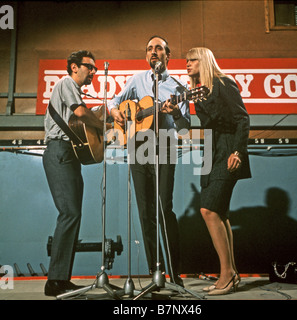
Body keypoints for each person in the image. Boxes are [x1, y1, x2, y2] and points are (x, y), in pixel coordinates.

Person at [108, 36, 190, 286]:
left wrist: (175, 112)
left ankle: (176, 275)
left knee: (164, 208)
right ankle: (157, 272)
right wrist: (116, 112)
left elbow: (186, 127)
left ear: (168, 55)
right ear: (146, 56)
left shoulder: (179, 88)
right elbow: (114, 102)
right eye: (149, 49)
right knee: (145, 212)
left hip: (165, 146)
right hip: (138, 147)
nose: (153, 52)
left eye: (159, 48)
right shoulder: (136, 80)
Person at [186, 47, 251, 295]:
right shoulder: (199, 91)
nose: (188, 64)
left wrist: (238, 152)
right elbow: (208, 124)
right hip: (210, 151)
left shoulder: (224, 83)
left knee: (209, 210)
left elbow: (242, 119)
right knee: (220, 213)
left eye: (192, 60)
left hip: (227, 150)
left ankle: (226, 274)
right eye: (187, 61)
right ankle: (231, 273)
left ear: (204, 61)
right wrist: (196, 100)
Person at [43, 50, 103, 296]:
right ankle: (54, 281)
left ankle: (61, 279)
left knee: (73, 214)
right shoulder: (67, 83)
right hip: (60, 152)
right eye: (89, 67)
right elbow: (79, 113)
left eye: (95, 68)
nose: (93, 72)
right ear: (74, 67)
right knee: (69, 213)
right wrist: (103, 125)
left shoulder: (74, 89)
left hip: (70, 154)